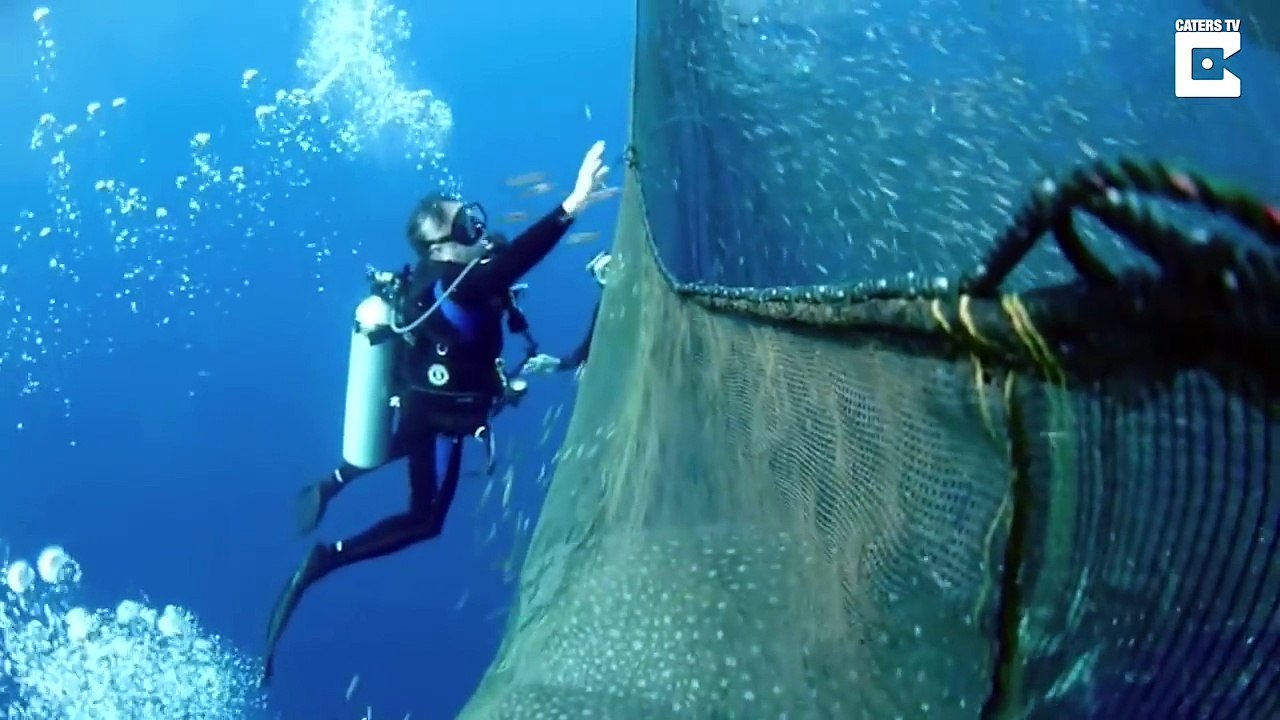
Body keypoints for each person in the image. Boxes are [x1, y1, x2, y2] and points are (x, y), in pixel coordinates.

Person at [259, 140, 613, 685]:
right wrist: (573, 203)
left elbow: (495, 279)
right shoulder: (462, 280)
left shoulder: (430, 276)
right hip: (443, 417)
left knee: (400, 440)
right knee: (425, 519)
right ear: (443, 248)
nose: (479, 230)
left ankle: (335, 481)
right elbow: (507, 267)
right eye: (467, 228)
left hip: (416, 400)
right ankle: (325, 560)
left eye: (474, 218)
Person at [520, 251, 612, 375]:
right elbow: (585, 351)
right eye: (603, 273)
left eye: (610, 266)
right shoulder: (602, 310)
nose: (610, 273)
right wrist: (558, 363)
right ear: (599, 281)